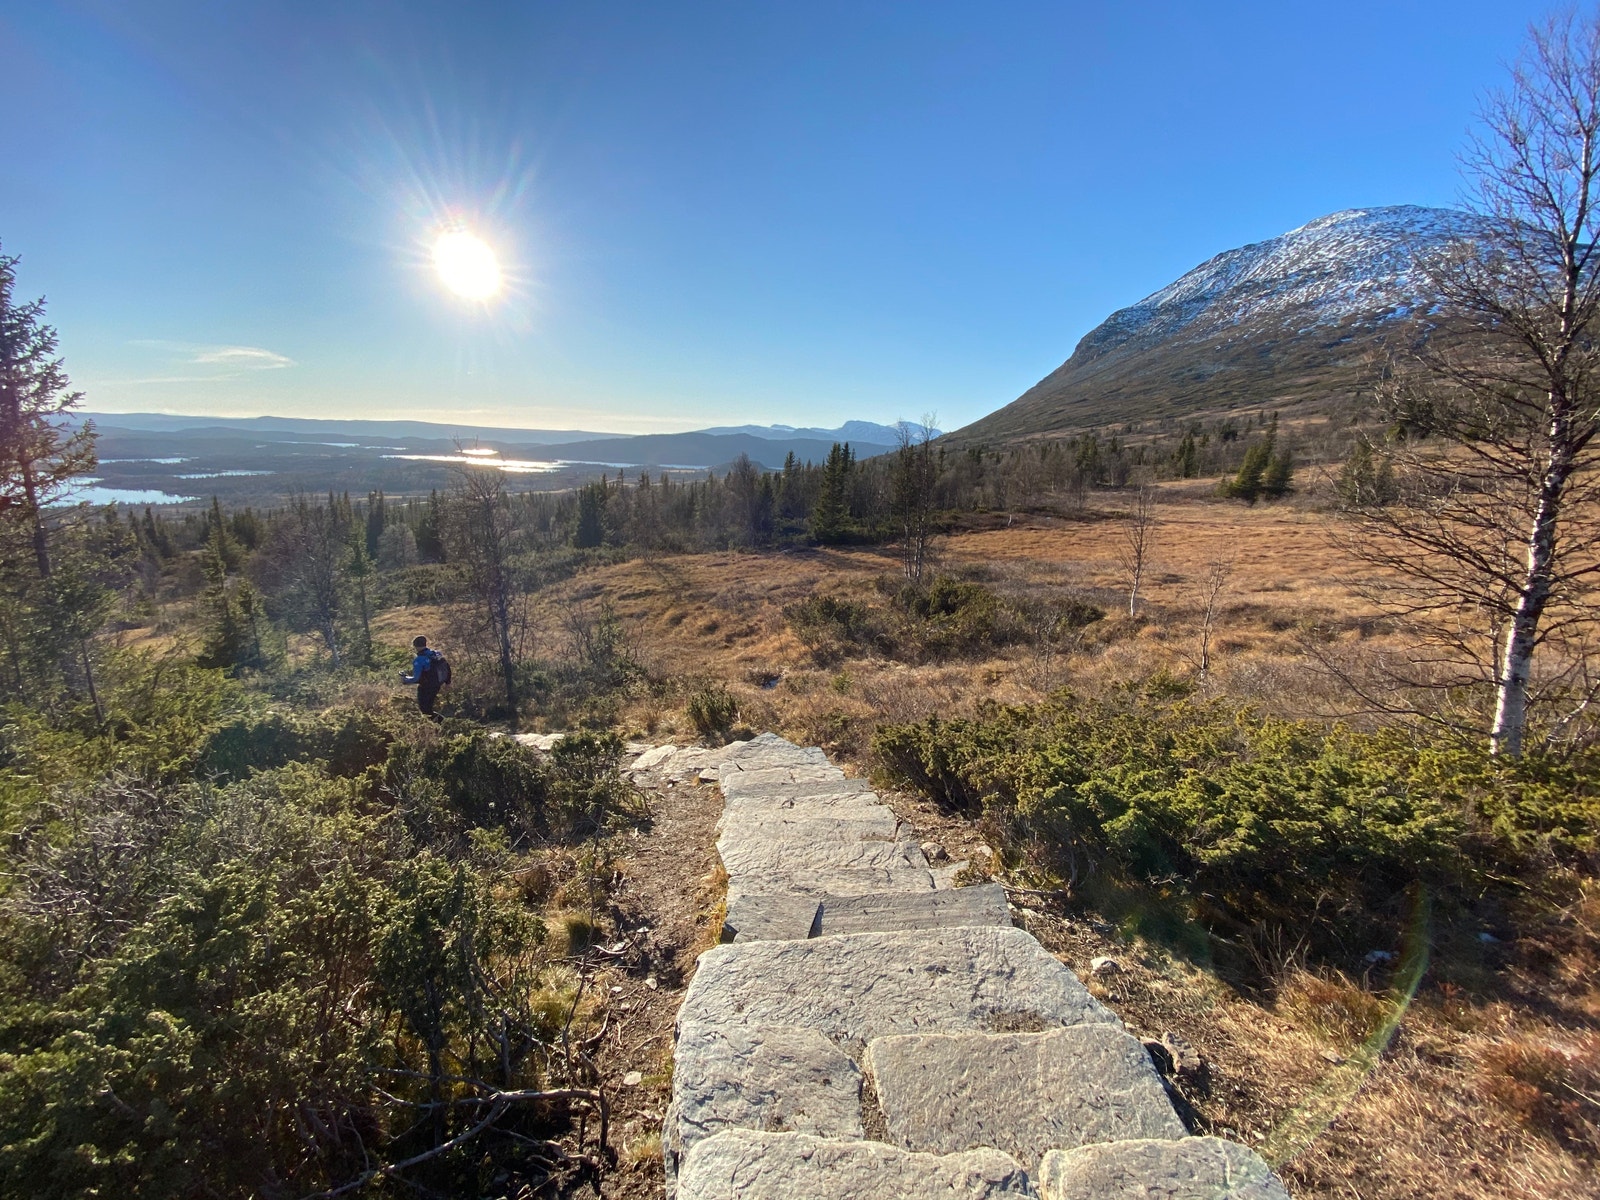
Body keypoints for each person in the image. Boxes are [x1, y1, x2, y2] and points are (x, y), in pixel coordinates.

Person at [401, 635, 445, 717]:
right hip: (437, 684)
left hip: (426, 687)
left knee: (425, 711)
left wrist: (405, 679)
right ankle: (442, 724)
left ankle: (443, 724)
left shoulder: (419, 660)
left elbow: (416, 678)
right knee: (428, 709)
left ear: (415, 646)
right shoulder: (435, 654)